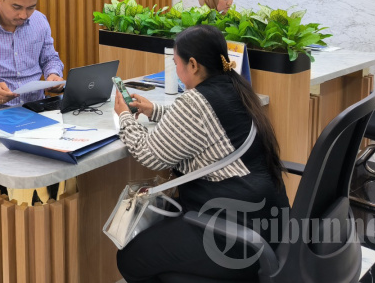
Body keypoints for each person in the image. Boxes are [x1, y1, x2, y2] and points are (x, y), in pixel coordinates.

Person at [113, 25, 289, 282]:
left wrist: (124, 117)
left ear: (193, 65)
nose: (176, 69)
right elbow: (206, 125)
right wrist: (155, 110)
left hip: (233, 235)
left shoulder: (196, 101)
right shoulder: (235, 86)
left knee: (130, 258)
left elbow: (148, 153)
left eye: (176, 63)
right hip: (267, 226)